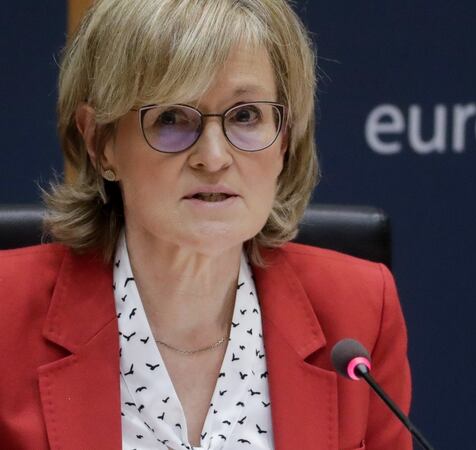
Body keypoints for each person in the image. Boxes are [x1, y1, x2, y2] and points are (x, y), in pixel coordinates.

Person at [0, 1, 412, 449]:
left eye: (246, 115)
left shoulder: (359, 312)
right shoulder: (7, 314)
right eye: (172, 118)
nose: (213, 158)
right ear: (100, 142)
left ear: (285, 139)